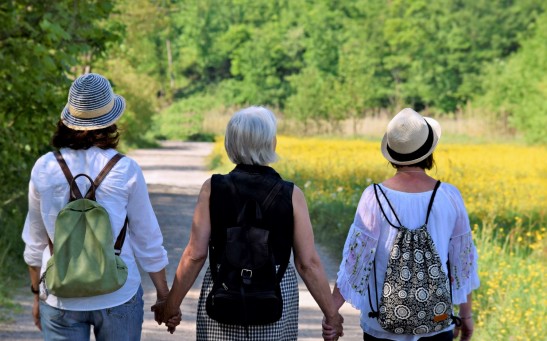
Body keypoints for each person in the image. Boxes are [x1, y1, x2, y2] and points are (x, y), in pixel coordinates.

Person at [152, 106, 344, 341]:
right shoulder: (291, 194)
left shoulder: (212, 188)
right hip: (274, 296)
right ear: (270, 143)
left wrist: (171, 305)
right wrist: (331, 315)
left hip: (224, 293)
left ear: (230, 143)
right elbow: (308, 263)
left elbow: (195, 255)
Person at [22, 73, 177, 340]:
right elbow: (147, 238)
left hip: (60, 296)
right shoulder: (125, 168)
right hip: (118, 293)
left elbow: (34, 241)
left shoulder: (45, 167)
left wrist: (37, 295)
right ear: (111, 121)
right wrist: (164, 297)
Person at [327, 108, 480, 341]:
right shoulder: (449, 196)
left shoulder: (374, 197)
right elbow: (462, 263)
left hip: (381, 326)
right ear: (430, 151)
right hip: (437, 322)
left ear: (391, 154)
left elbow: (356, 262)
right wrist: (466, 315)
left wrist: (331, 312)